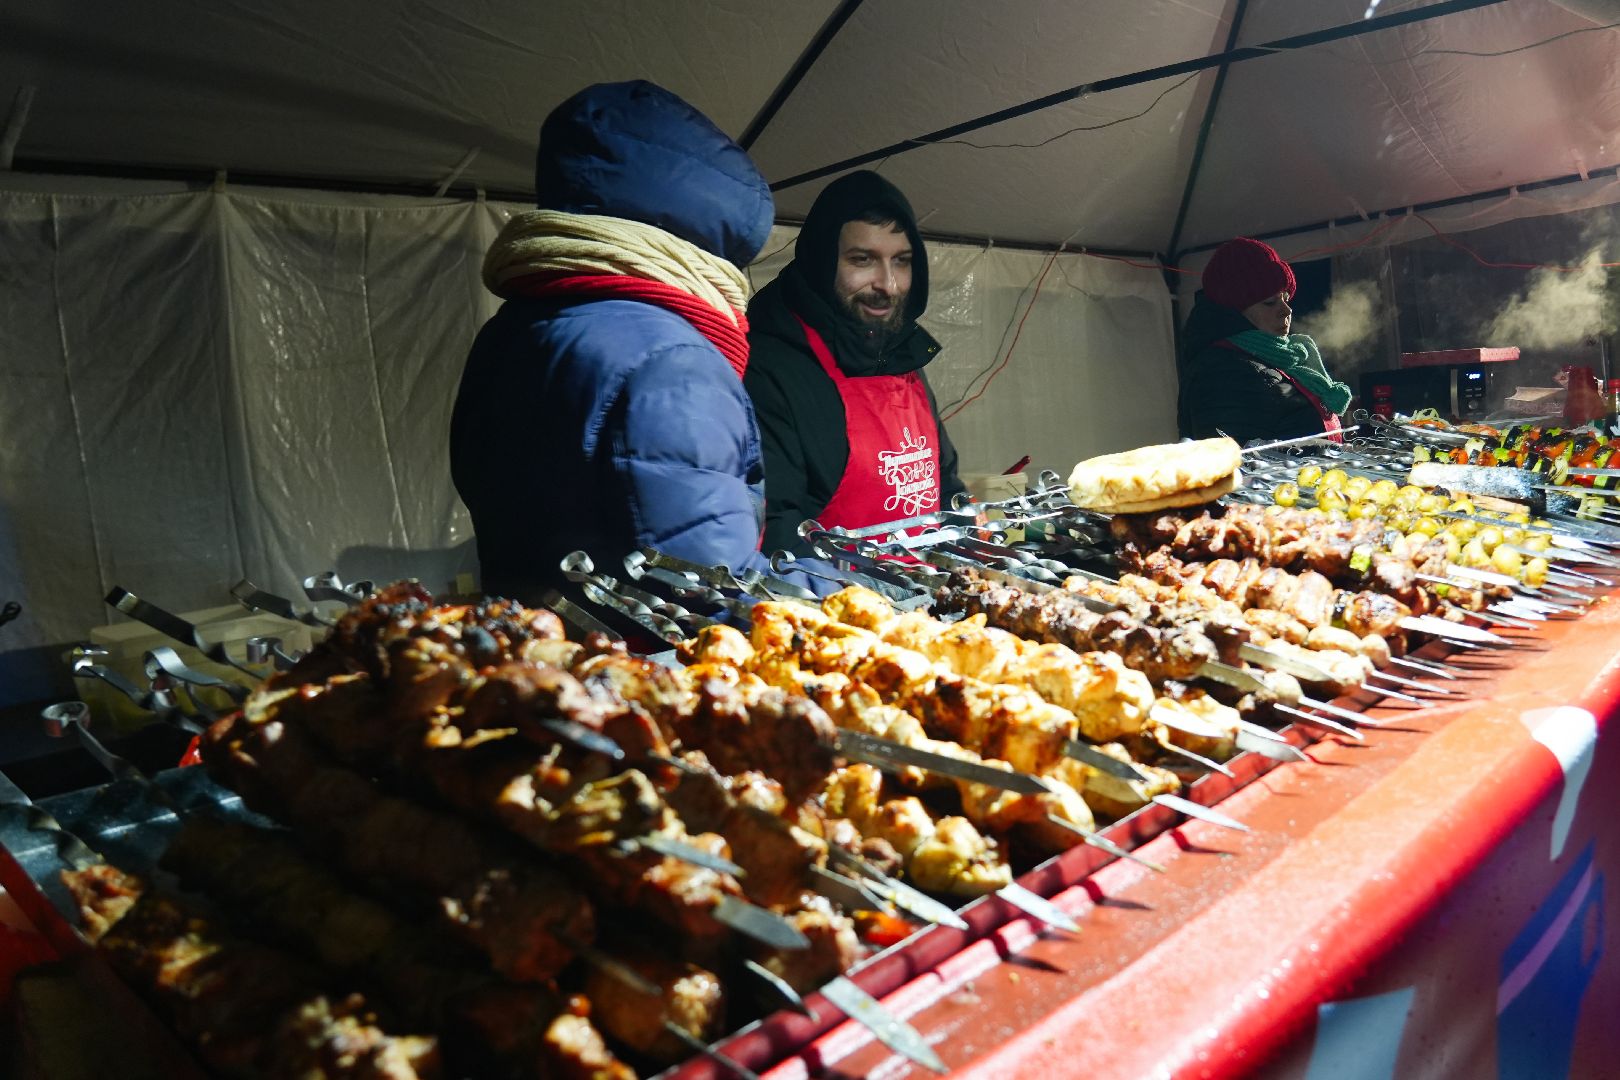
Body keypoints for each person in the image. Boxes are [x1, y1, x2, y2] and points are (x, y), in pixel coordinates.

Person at [450, 80, 814, 604]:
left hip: (539, 657)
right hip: (653, 673)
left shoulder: (512, 331)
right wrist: (868, 595)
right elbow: (714, 591)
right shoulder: (675, 364)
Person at [745, 171, 966, 555]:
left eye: (901, 261)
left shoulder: (901, 352)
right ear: (821, 260)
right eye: (862, 260)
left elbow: (944, 486)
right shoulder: (768, 366)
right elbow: (777, 529)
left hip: (927, 594)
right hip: (834, 604)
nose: (888, 285)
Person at [1177, 237, 1352, 445]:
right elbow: (1238, 463)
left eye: (1285, 298)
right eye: (1270, 302)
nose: (1286, 310)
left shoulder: (1271, 358)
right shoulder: (1221, 373)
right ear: (1235, 311)